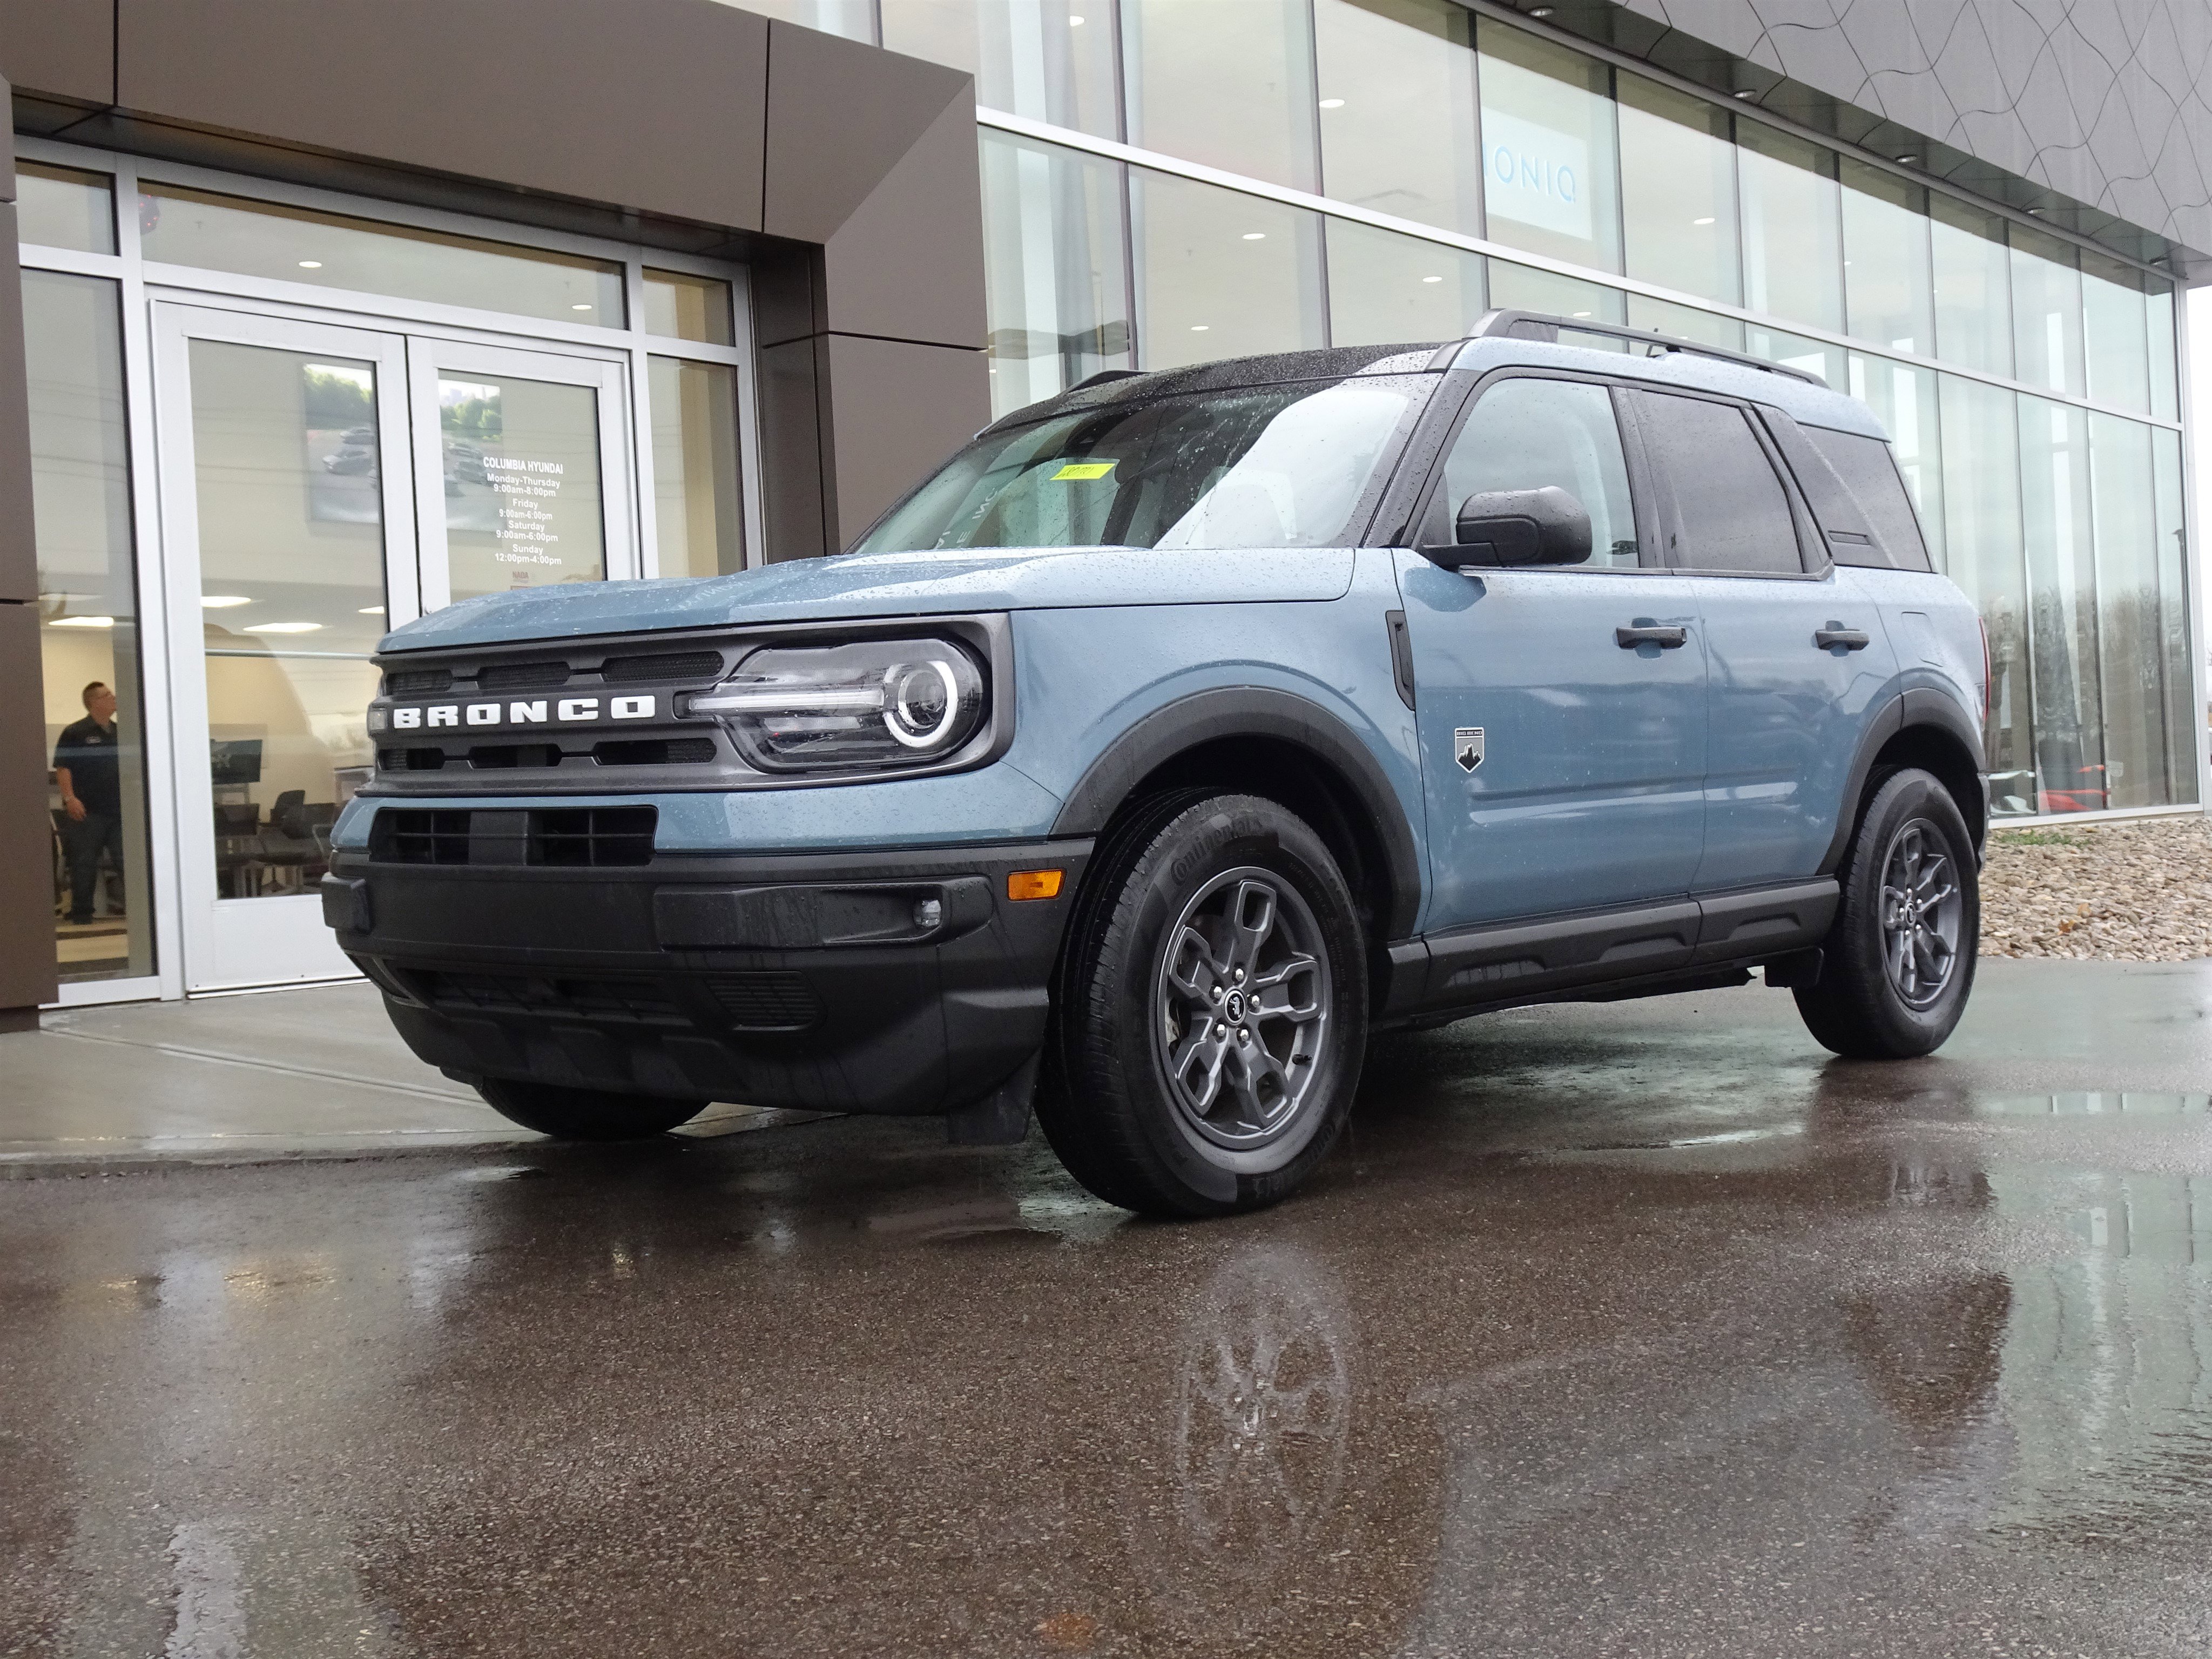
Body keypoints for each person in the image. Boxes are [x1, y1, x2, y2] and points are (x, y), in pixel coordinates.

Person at [54, 681, 125, 927]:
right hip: (87, 811)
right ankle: (82, 915)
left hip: (119, 811)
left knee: (128, 861)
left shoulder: (120, 732)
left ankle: (140, 911)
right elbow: (63, 768)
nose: (114, 698)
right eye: (108, 695)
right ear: (94, 702)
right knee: (84, 864)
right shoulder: (75, 732)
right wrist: (69, 798)